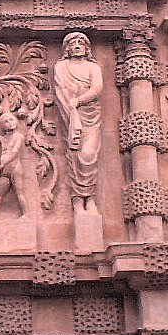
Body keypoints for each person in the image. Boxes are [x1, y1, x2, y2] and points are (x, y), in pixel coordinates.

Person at [53, 32, 103, 214]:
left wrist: (79, 101)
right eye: (73, 43)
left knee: (89, 154)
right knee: (74, 155)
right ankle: (77, 201)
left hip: (90, 114)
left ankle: (90, 197)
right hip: (70, 114)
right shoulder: (61, 66)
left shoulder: (92, 67)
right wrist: (70, 111)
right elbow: (61, 90)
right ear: (67, 48)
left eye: (81, 43)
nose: (77, 46)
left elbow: (97, 88)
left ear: (86, 48)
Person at [0, 112, 32, 219]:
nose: (9, 123)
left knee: (19, 192)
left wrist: (0, 167)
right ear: (3, 126)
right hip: (6, 170)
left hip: (15, 168)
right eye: (5, 122)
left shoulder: (19, 136)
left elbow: (14, 153)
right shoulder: (5, 138)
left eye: (11, 119)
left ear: (15, 121)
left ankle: (26, 214)